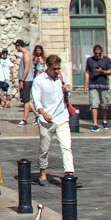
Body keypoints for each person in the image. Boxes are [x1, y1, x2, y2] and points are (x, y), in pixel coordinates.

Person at [32, 54, 76, 186]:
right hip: (46, 120)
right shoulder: (39, 80)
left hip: (62, 117)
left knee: (66, 146)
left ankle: (69, 174)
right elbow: (36, 100)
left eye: (58, 68)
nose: (57, 71)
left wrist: (67, 90)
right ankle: (42, 172)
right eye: (54, 69)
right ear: (48, 66)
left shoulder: (61, 77)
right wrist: (43, 113)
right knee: (44, 148)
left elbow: (67, 93)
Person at [85, 44, 111, 131]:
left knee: (104, 104)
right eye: (96, 54)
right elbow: (87, 73)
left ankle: (104, 121)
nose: (97, 55)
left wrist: (102, 71)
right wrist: (85, 85)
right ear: (93, 52)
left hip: (103, 84)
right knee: (93, 104)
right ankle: (95, 124)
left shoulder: (106, 60)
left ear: (101, 52)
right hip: (93, 84)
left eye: (99, 54)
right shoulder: (89, 60)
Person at [14, 40, 34, 125]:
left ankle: (25, 119)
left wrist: (22, 80)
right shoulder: (27, 54)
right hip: (26, 79)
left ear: (18, 46)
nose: (15, 48)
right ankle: (37, 115)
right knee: (27, 99)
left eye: (16, 46)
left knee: (26, 100)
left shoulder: (26, 54)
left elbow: (27, 68)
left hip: (26, 80)